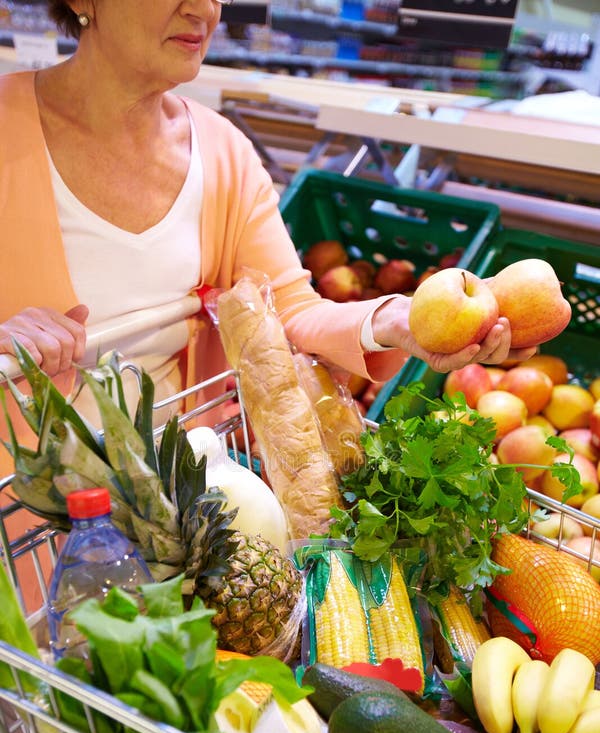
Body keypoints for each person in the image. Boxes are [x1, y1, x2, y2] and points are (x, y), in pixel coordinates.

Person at [0, 0, 534, 480]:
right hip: (29, 522)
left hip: (187, 504)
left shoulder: (223, 153)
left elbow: (291, 310)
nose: (204, 10)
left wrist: (399, 320)